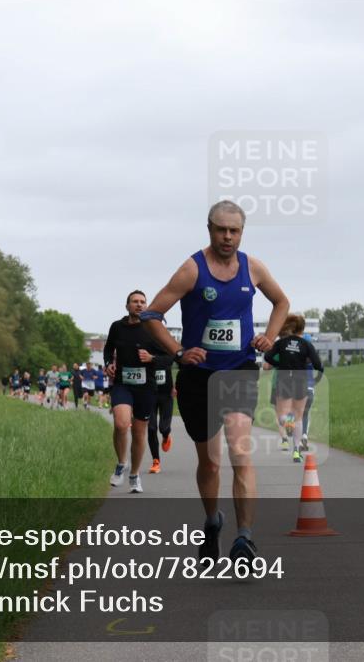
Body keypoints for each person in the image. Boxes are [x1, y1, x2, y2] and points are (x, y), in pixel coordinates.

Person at [141, 200, 289, 563]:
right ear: (209, 229)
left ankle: (245, 538)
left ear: (242, 232)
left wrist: (269, 337)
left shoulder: (252, 267)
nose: (227, 237)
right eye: (221, 230)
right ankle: (212, 520)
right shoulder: (192, 270)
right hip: (198, 377)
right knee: (209, 463)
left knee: (241, 451)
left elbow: (282, 302)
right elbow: (151, 314)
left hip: (239, 369)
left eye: (234, 231)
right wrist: (178, 352)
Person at [103, 291, 173, 494]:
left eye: (143, 302)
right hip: (123, 383)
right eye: (135, 302)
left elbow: (170, 357)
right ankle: (121, 463)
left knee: (139, 432)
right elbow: (108, 349)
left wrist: (152, 359)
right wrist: (108, 364)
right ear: (127, 306)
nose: (139, 305)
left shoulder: (154, 328)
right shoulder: (117, 327)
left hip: (146, 386)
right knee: (121, 423)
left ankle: (134, 475)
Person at [264, 315, 324, 463]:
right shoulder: (306, 344)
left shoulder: (281, 342)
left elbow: (267, 356)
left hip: (284, 380)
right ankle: (296, 452)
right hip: (301, 381)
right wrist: (315, 374)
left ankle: (288, 423)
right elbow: (318, 364)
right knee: (299, 417)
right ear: (302, 329)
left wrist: (279, 363)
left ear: (290, 327)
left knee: (282, 416)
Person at [146, 342, 175, 474]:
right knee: (151, 428)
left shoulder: (165, 345)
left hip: (166, 394)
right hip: (149, 393)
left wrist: (152, 358)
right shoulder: (144, 345)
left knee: (163, 427)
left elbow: (170, 360)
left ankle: (166, 435)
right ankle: (156, 461)